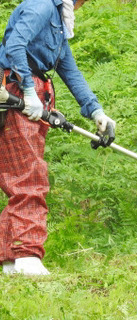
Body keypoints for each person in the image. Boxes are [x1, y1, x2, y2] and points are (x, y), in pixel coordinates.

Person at [0, 0, 116, 275]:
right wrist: (28, 91)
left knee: (21, 170)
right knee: (28, 174)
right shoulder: (41, 6)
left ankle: (10, 260)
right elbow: (15, 45)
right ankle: (26, 255)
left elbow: (69, 70)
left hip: (35, 96)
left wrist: (97, 112)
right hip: (14, 90)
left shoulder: (59, 22)